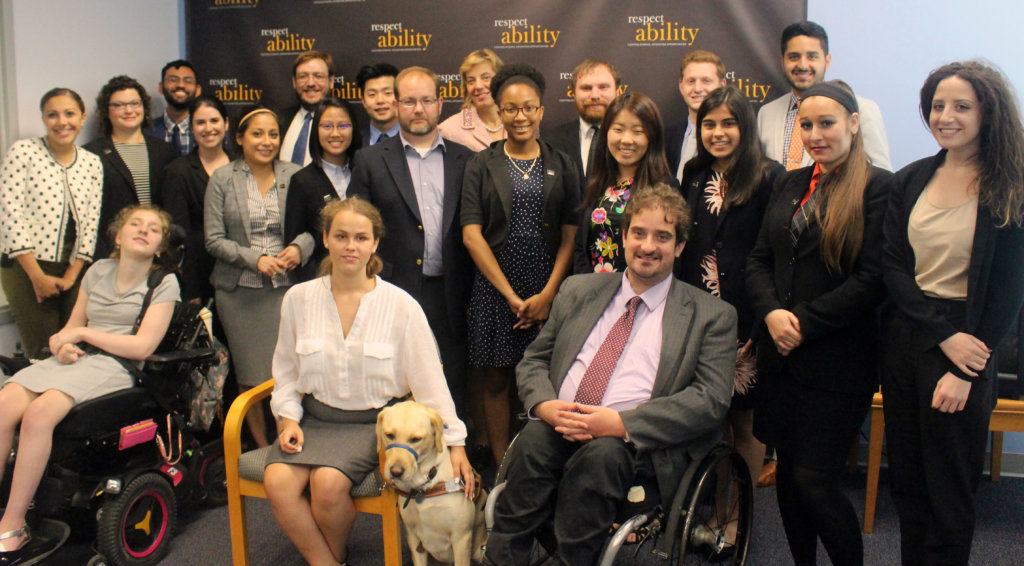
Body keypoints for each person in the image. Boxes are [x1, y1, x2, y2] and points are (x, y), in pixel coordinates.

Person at [485, 183, 736, 566]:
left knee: (601, 456)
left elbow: (710, 400)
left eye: (662, 237)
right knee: (533, 441)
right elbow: (535, 359)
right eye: (639, 233)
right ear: (623, 237)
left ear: (680, 246)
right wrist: (545, 405)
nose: (648, 246)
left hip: (635, 446)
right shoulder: (577, 289)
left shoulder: (711, 315)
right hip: (559, 424)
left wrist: (620, 422)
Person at [263, 196, 471, 566]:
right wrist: (288, 418)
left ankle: (332, 558)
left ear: (375, 243)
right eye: (341, 236)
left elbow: (429, 382)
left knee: (327, 486)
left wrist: (455, 444)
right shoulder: (298, 298)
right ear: (325, 238)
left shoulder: (401, 305)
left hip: (372, 425)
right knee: (277, 481)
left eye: (361, 238)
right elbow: (286, 371)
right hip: (312, 420)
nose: (350, 246)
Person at [881, 61, 1024, 566]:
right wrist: (940, 335)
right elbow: (894, 268)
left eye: (961, 106)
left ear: (988, 111)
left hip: (969, 344)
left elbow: (1009, 291)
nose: (946, 116)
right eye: (938, 106)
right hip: (910, 336)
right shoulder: (911, 179)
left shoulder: (1010, 185)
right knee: (909, 481)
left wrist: (966, 367)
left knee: (948, 487)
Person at [746, 82, 892, 566]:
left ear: (853, 122)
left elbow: (873, 280)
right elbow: (759, 260)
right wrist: (770, 312)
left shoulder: (880, 188)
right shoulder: (790, 182)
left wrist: (801, 324)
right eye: (806, 125)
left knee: (814, 479)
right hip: (780, 359)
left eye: (826, 123)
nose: (815, 134)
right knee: (787, 476)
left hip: (836, 363)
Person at [0, 205, 179, 562]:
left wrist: (82, 334)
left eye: (154, 229)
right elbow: (68, 330)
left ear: (160, 246)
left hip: (119, 364)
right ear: (118, 236)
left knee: (39, 413)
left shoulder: (164, 282)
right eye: (136, 224)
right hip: (79, 359)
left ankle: (14, 525)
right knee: (5, 404)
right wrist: (63, 344)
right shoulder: (98, 271)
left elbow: (143, 346)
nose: (144, 231)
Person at [677, 85, 784, 549]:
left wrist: (761, 326)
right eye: (709, 123)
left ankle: (734, 515)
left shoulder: (768, 177)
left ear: (746, 126)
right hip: (697, 318)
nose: (718, 132)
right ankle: (712, 506)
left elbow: (776, 257)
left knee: (744, 422)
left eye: (728, 122)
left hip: (748, 320)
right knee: (707, 418)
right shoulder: (693, 172)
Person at [461, 63, 580, 468]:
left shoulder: (563, 164)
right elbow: (471, 235)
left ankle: (540, 466)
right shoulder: (480, 164)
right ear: (498, 112)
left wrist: (547, 295)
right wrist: (511, 296)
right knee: (495, 379)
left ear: (542, 111)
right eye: (510, 109)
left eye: (528, 107)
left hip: (547, 288)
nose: (520, 117)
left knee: (543, 381)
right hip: (496, 289)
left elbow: (570, 236)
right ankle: (502, 468)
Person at [348, 67, 473, 418]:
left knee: (450, 384)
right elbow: (358, 231)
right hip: (392, 289)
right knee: (395, 385)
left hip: (450, 293)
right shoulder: (370, 160)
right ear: (396, 103)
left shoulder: (467, 160)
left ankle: (453, 461)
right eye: (409, 101)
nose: (418, 109)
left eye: (427, 100)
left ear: (440, 103)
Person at [204, 105, 313, 447]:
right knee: (251, 375)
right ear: (238, 138)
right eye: (257, 133)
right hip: (239, 295)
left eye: (273, 134)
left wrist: (298, 248)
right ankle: (261, 448)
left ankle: (289, 436)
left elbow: (315, 227)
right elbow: (212, 239)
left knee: (288, 372)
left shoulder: (295, 174)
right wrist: (256, 259)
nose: (266, 141)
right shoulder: (223, 177)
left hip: (286, 291)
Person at [0, 88, 103, 359]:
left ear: (82, 118)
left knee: (75, 347)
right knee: (44, 350)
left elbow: (91, 223)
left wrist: (72, 275)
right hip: (26, 267)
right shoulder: (23, 152)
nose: (62, 122)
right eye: (52, 115)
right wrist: (37, 277)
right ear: (44, 119)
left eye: (69, 114)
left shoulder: (92, 163)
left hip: (73, 267)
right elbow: (10, 216)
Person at [757, 21, 892, 172]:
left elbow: (881, 176)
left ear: (827, 61)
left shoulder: (863, 109)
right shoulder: (766, 113)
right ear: (783, 62)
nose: (802, 65)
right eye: (794, 57)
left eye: (812, 57)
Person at [573, 91, 673, 274]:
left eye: (637, 132)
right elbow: (581, 247)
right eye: (618, 130)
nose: (626, 140)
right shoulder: (598, 182)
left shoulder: (665, 188)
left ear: (652, 137)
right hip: (594, 293)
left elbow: (667, 257)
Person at [84, 75, 176, 259]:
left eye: (135, 103)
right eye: (118, 105)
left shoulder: (163, 151)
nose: (128, 110)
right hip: (112, 252)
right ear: (106, 111)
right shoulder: (92, 154)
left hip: (155, 250)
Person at [163, 95, 232, 305]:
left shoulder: (243, 165)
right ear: (192, 128)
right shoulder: (177, 172)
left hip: (240, 272)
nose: (208, 128)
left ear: (226, 124)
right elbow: (179, 236)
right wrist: (190, 288)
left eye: (214, 121)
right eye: (200, 122)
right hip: (200, 273)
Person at [285, 97, 362, 282]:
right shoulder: (302, 180)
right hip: (321, 281)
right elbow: (295, 242)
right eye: (326, 126)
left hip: (365, 278)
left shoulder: (365, 172)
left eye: (343, 126)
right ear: (315, 131)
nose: (335, 133)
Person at [544, 59, 621, 184]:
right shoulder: (550, 143)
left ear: (617, 92)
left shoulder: (634, 141)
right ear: (573, 93)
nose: (595, 95)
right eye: (586, 88)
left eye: (603, 87)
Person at [666, 50, 727, 181]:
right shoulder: (666, 139)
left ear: (722, 86)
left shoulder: (732, 139)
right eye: (691, 81)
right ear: (681, 86)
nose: (698, 88)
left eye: (706, 81)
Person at [438, 48, 506, 151]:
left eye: (486, 77)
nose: (478, 86)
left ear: (501, 79)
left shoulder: (520, 121)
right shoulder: (448, 131)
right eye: (471, 81)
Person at [278, 50, 335, 167]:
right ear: (294, 82)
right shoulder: (279, 120)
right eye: (303, 76)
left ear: (331, 81)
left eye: (318, 76)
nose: (310, 83)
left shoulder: (342, 124)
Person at [145, 59, 202, 157]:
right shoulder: (146, 130)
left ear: (198, 90)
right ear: (161, 87)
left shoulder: (208, 131)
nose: (180, 85)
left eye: (188, 81)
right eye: (173, 80)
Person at [356, 62, 400, 146]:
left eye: (387, 93)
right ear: (363, 101)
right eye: (372, 94)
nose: (380, 100)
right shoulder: (354, 142)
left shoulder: (415, 138)